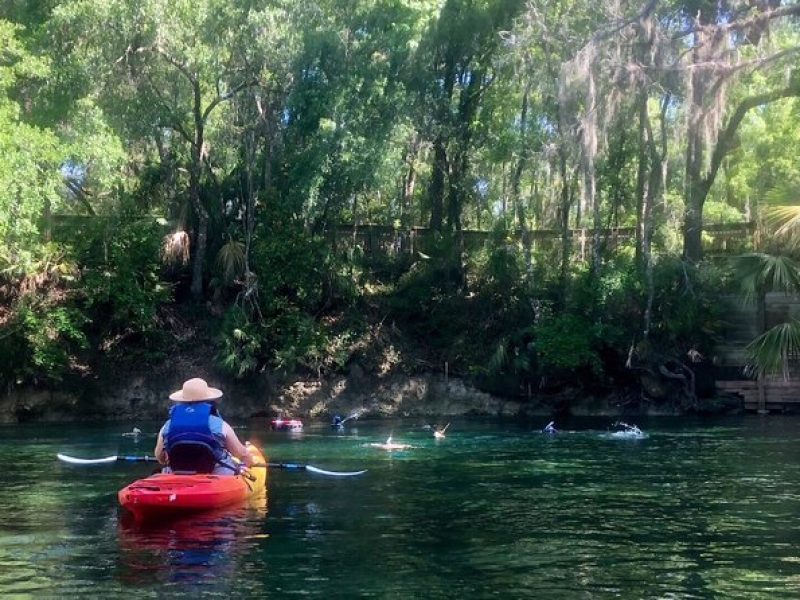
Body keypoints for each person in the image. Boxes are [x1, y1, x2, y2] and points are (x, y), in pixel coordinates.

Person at [154, 377, 251, 474]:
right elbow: (240, 453)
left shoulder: (167, 425)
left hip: (177, 474)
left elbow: (160, 457)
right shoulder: (220, 424)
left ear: (182, 400)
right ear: (208, 400)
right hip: (216, 477)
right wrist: (246, 463)